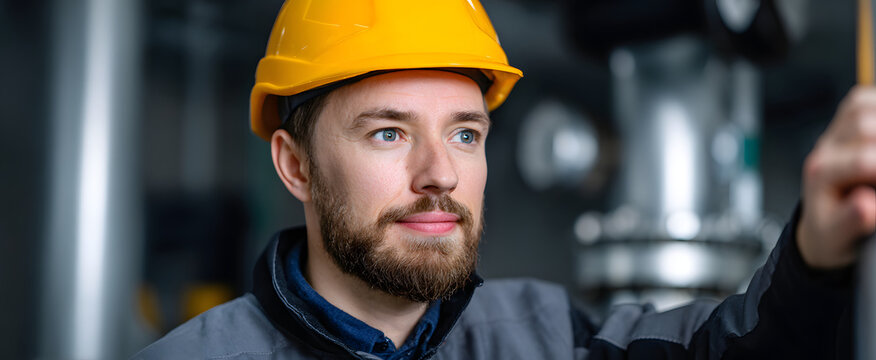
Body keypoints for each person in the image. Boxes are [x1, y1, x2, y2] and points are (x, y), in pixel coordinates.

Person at [133, 1, 874, 359]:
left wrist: (815, 252)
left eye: (465, 134)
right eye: (389, 133)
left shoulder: (546, 337)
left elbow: (731, 352)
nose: (439, 175)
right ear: (295, 165)